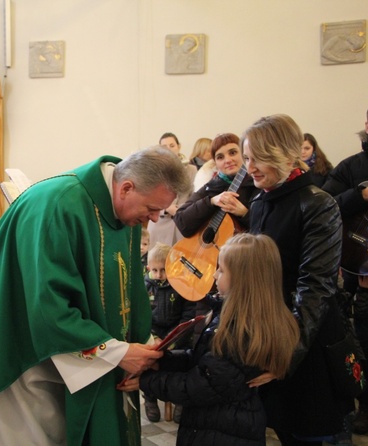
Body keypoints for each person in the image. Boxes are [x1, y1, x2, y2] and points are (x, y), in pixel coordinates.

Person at [0, 146, 193, 445]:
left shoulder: (122, 210)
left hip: (67, 354)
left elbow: (129, 290)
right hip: (21, 352)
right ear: (126, 187)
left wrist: (143, 344)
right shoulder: (58, 205)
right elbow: (46, 307)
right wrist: (117, 352)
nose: (154, 220)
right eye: (152, 209)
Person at [119, 233, 300, 445]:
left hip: (222, 432)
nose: (214, 275)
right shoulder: (232, 317)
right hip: (216, 424)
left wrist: (146, 381)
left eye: (221, 270)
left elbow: (200, 386)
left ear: (243, 280)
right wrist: (160, 360)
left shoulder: (241, 333)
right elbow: (204, 363)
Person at [243, 114, 350, 445]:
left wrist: (286, 355)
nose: (250, 167)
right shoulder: (261, 201)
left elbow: (315, 288)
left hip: (306, 339)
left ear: (287, 154)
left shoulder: (318, 204)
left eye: (258, 157)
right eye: (247, 157)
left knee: (314, 434)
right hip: (273, 335)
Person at [322, 99, 368, 435]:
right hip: (364, 266)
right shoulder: (351, 167)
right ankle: (367, 406)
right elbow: (326, 205)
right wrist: (361, 196)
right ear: (367, 126)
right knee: (363, 339)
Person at [142, 242, 196, 422]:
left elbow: (188, 315)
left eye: (163, 270)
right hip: (154, 334)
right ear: (148, 267)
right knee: (147, 363)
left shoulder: (181, 284)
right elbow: (141, 315)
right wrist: (154, 336)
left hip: (177, 335)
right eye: (154, 270)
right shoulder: (145, 285)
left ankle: (181, 400)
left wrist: (172, 339)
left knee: (183, 365)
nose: (158, 275)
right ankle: (150, 398)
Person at [174, 132, 258, 239]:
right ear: (215, 163)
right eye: (220, 157)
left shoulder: (258, 184)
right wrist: (211, 201)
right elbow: (181, 221)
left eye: (232, 153)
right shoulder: (212, 186)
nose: (227, 160)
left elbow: (270, 228)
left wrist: (244, 214)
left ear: (243, 153)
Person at [148, 132, 195, 248]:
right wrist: (167, 208)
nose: (169, 149)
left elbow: (195, 194)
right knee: (158, 261)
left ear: (179, 146)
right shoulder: (154, 170)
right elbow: (149, 196)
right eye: (164, 147)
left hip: (182, 221)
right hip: (161, 221)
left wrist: (183, 209)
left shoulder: (191, 169)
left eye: (172, 145)